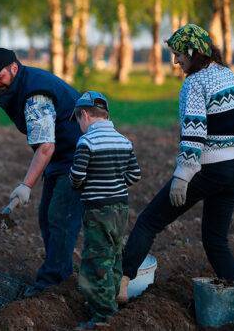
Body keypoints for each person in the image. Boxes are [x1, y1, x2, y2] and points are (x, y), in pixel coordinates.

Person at [118, 24, 234, 303]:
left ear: (194, 52)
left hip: (205, 168)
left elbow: (194, 132)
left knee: (149, 221)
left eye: (179, 54)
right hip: (231, 170)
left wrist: (183, 175)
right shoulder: (230, 76)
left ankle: (121, 284)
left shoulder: (194, 83)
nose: (176, 61)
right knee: (215, 240)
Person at [0, 48, 83, 296]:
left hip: (79, 156)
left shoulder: (36, 95)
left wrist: (26, 185)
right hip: (63, 155)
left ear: (14, 68)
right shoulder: (23, 84)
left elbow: (46, 146)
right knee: (47, 215)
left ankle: (51, 283)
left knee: (60, 218)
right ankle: (61, 275)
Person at [69, 91, 141, 330]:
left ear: (85, 115)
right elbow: (134, 175)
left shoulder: (87, 142)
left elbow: (77, 177)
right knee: (115, 254)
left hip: (97, 209)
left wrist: (78, 183)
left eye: (78, 120)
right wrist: (115, 182)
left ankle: (103, 317)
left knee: (95, 262)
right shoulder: (123, 140)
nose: (79, 125)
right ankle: (113, 300)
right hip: (121, 207)